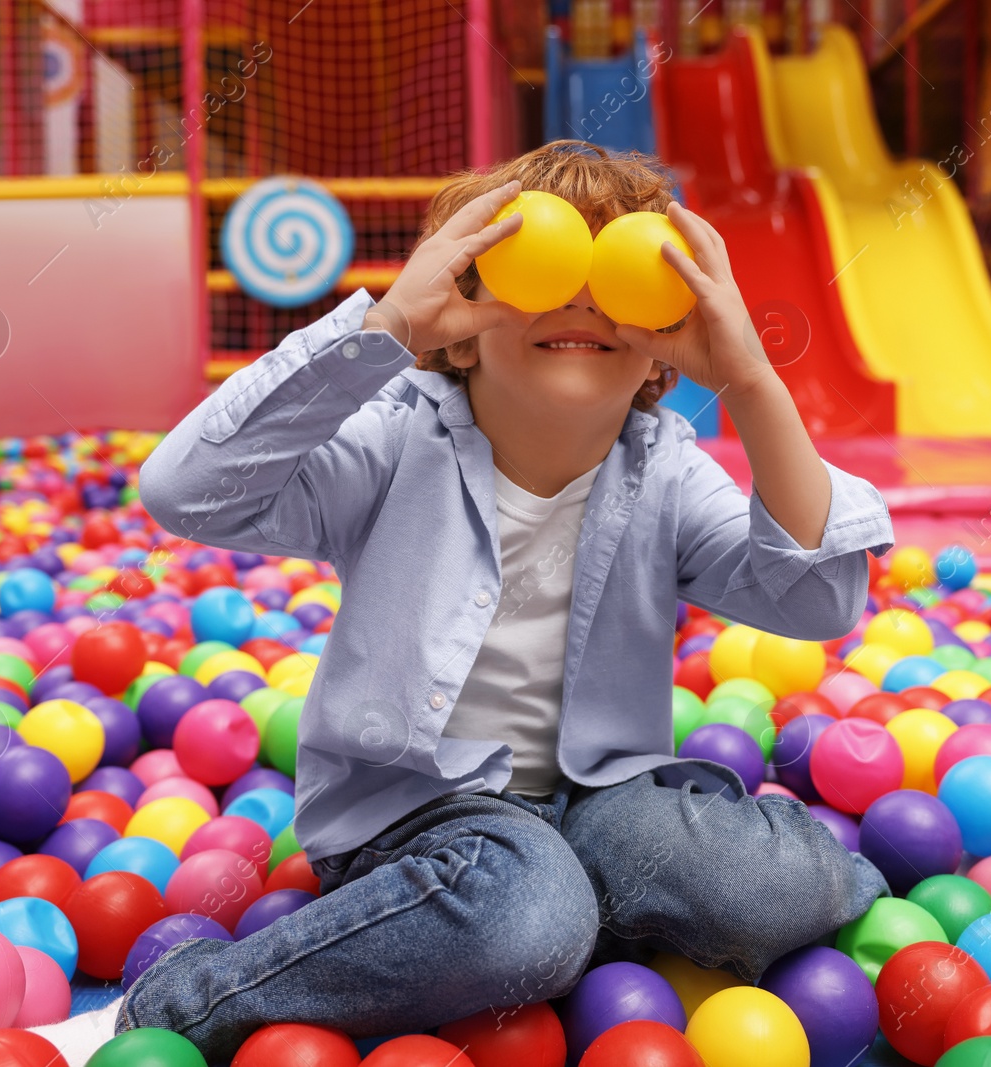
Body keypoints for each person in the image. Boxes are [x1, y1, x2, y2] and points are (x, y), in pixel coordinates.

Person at [116, 141, 893, 1061]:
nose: (580, 299)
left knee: (753, 884)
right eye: (545, 267)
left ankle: (566, 913)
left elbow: (820, 600)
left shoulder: (667, 468)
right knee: (526, 911)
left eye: (618, 276)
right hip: (418, 813)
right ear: (465, 319)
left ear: (658, 341)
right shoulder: (392, 440)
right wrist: (390, 324)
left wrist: (752, 382)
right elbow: (187, 489)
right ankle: (191, 1003)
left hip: (604, 799)